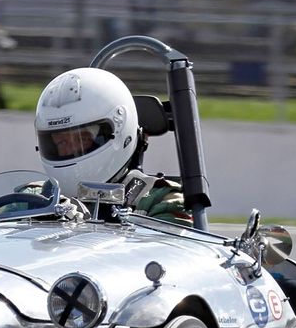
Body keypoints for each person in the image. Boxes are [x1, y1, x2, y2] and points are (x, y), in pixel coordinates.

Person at [34, 67, 191, 225]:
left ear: (118, 130)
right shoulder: (33, 196)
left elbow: (173, 239)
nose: (70, 150)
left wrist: (80, 226)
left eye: (81, 139)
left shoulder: (160, 200)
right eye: (61, 142)